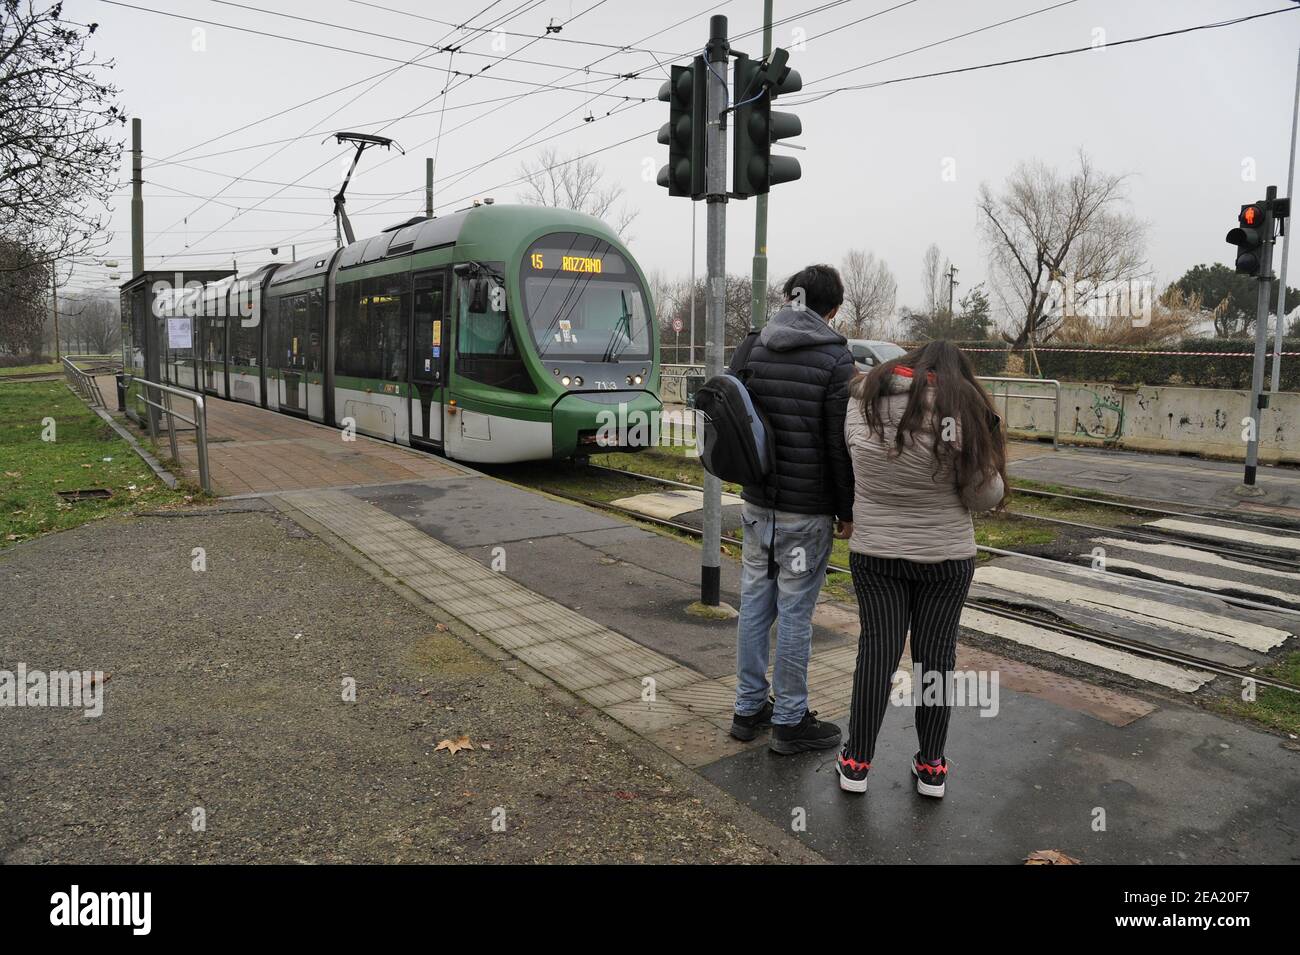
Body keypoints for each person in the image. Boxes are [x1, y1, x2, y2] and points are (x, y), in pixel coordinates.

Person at [835, 339, 1007, 796]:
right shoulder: (961, 409)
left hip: (876, 555)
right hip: (945, 559)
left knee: (877, 654)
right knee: (935, 661)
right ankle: (931, 766)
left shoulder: (863, 400)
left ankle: (856, 763)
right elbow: (982, 496)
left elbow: (853, 460)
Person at [729, 264, 856, 754]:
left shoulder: (755, 345)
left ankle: (747, 709)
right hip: (807, 513)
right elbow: (838, 443)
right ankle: (789, 720)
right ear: (833, 309)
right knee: (797, 613)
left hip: (759, 503)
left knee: (755, 603)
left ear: (789, 298)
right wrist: (846, 508)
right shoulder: (835, 357)